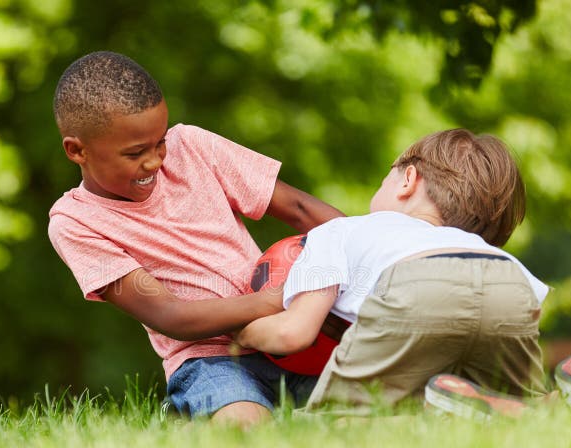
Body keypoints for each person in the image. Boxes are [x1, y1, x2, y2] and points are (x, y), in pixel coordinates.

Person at [47, 51, 344, 427]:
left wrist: (374, 251)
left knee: (388, 401)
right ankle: (197, 415)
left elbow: (300, 208)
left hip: (296, 338)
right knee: (246, 428)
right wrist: (286, 298)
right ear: (77, 150)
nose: (155, 161)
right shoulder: (76, 222)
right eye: (135, 153)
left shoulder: (191, 147)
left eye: (159, 143)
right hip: (210, 361)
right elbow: (172, 316)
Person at [235, 128, 551, 416]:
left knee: (339, 418)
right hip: (510, 282)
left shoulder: (342, 230)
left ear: (408, 180)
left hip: (419, 281)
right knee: (517, 397)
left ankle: (433, 412)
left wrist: (243, 335)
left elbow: (293, 332)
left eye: (387, 176)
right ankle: (552, 404)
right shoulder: (471, 243)